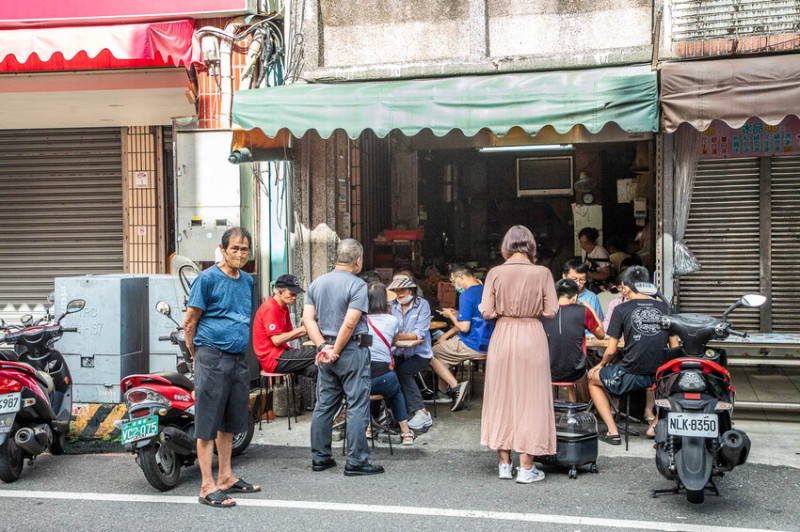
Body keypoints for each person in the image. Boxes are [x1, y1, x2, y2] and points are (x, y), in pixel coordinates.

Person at [183, 227, 260, 508]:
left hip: (238, 357)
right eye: (235, 249)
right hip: (211, 356)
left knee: (230, 421)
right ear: (222, 249)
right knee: (208, 423)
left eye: (245, 249)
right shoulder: (207, 279)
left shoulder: (247, 281)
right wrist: (196, 352)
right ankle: (206, 486)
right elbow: (190, 321)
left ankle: (226, 476)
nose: (240, 254)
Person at [479, 225, 558, 484]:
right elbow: (551, 311)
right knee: (531, 399)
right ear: (531, 245)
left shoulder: (495, 273)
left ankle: (504, 464)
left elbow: (487, 312)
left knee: (502, 396)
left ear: (506, 246)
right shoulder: (543, 272)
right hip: (532, 334)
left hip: (503, 335)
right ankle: (526, 468)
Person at [302, 239, 384, 476]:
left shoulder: (316, 283)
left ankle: (320, 457)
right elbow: (350, 322)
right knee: (357, 404)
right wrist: (335, 349)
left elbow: (308, 319)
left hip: (325, 352)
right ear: (358, 261)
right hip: (350, 351)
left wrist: (323, 347)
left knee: (325, 404)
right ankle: (357, 461)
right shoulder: (358, 285)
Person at [587, 266, 679, 444]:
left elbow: (612, 350)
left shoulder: (621, 309)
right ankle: (655, 423)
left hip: (630, 373)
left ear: (625, 287)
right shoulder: (665, 308)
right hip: (659, 377)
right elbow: (674, 349)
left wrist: (600, 365)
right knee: (677, 386)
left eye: (622, 288)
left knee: (592, 379)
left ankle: (612, 431)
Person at [365, 282, 415, 445]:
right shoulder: (392, 320)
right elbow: (394, 341)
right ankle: (406, 433)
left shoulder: (360, 321)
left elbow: (363, 344)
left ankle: (369, 428)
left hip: (360, 381)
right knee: (394, 389)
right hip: (383, 379)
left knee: (372, 385)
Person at [541, 279, 605, 402]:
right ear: (575, 297)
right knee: (577, 370)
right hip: (575, 371)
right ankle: (581, 407)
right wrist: (589, 308)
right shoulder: (583, 311)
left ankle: (551, 410)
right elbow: (601, 335)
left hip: (548, 370)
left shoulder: (545, 313)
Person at [388, 275, 435, 431]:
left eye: (402, 289)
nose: (399, 292)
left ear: (411, 289)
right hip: (397, 352)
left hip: (419, 353)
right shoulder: (390, 305)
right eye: (396, 289)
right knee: (386, 372)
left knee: (404, 372)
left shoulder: (422, 305)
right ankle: (391, 412)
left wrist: (393, 335)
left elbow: (418, 333)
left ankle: (422, 412)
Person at [430, 264, 479, 412]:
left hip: (472, 343)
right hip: (486, 340)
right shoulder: (483, 289)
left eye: (453, 281)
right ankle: (443, 393)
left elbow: (464, 327)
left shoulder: (466, 294)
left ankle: (455, 386)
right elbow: (471, 319)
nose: (453, 285)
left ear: (461, 278)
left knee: (430, 353)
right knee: (442, 349)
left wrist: (451, 315)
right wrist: (444, 335)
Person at [252, 274, 318, 379]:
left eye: (296, 294)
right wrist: (304, 328)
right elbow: (277, 340)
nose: (294, 298)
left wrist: (312, 329)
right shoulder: (269, 308)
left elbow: (289, 334)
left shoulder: (284, 308)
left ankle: (320, 396)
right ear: (279, 291)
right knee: (319, 353)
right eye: (291, 294)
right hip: (273, 359)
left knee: (315, 369)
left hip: (283, 353)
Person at [562, 259, 604, 324]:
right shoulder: (556, 295)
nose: (578, 284)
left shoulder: (591, 298)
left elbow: (599, 324)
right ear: (564, 276)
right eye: (574, 279)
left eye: (582, 280)